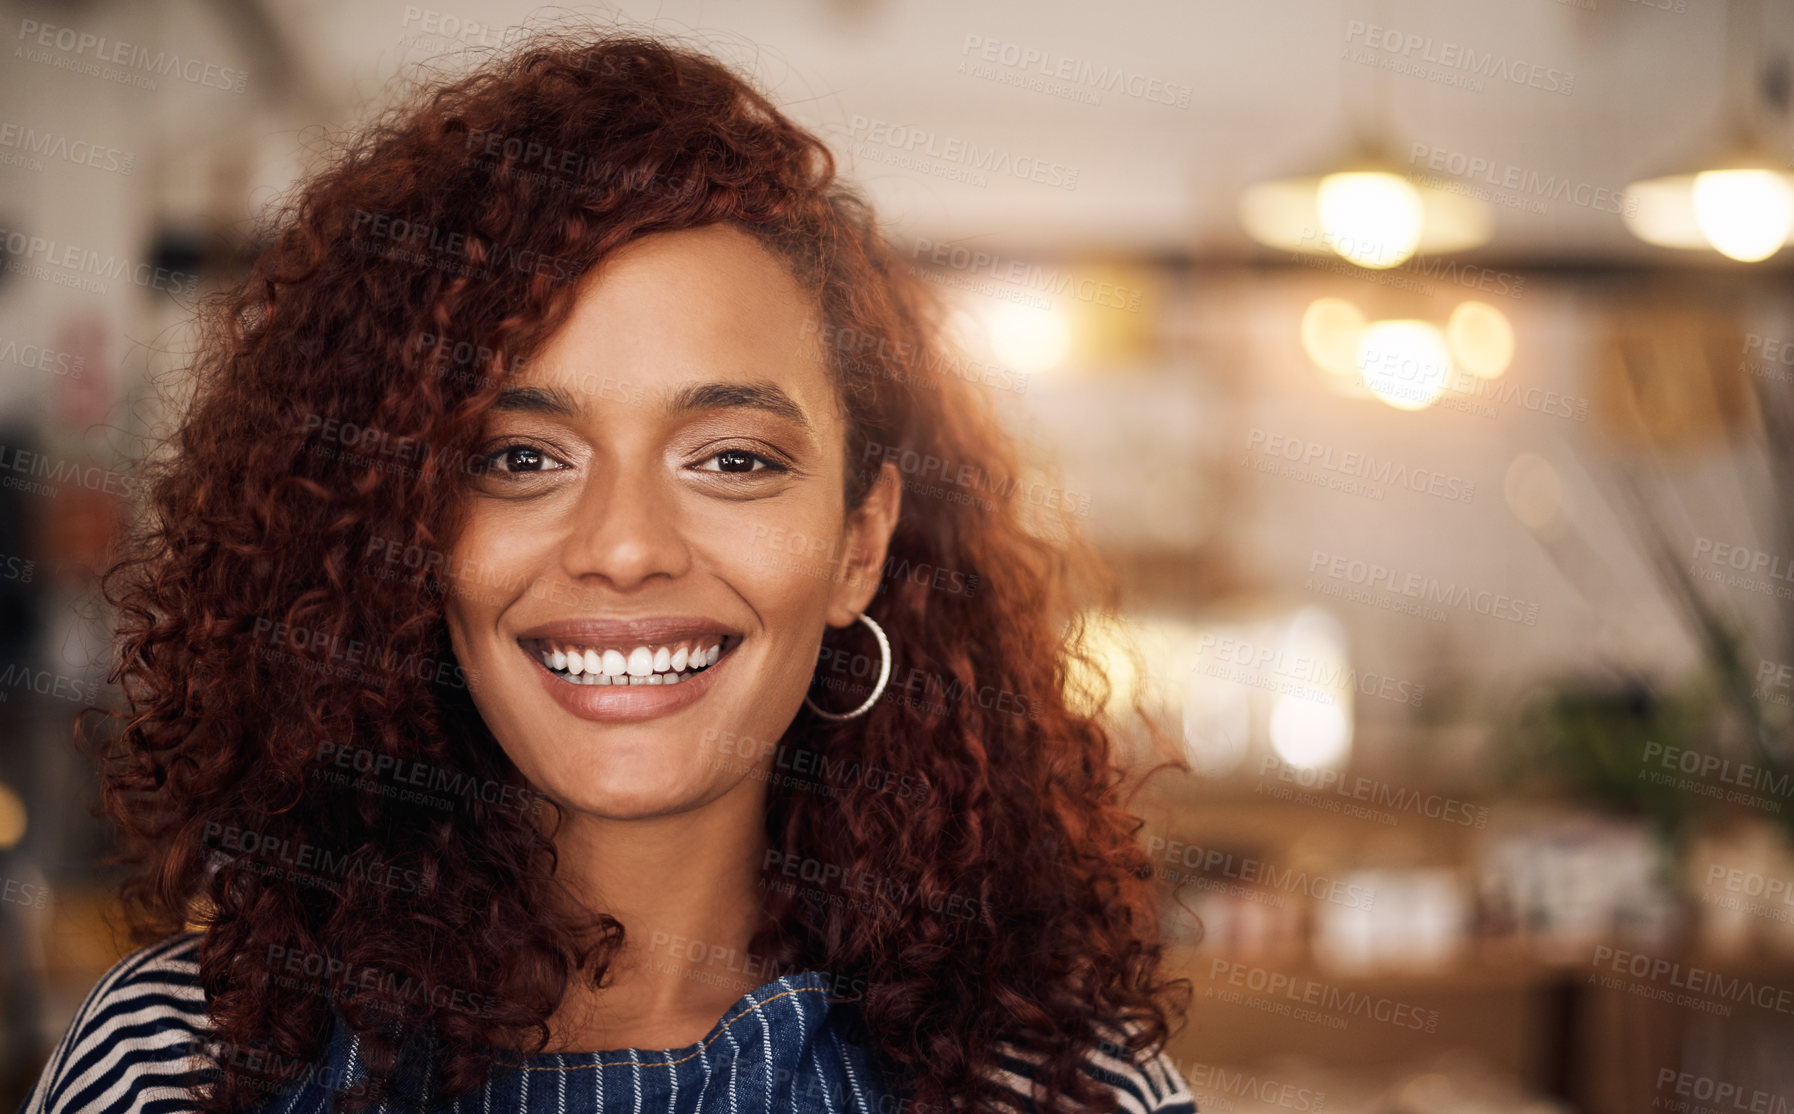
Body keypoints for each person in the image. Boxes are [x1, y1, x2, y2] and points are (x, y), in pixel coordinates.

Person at [21, 30, 1196, 1114]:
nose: (625, 545)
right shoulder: (182, 1059)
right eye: (522, 456)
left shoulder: (1052, 1081)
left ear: (860, 544)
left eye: (733, 459)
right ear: (403, 529)